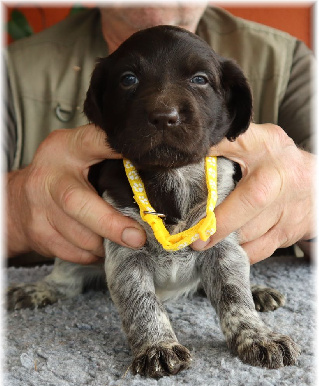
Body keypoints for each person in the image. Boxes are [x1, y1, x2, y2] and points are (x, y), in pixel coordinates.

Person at [5, 4, 316, 266]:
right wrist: (15, 208)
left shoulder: (286, 63)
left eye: (199, 79)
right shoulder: (12, 70)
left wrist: (310, 195)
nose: (164, 110)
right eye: (129, 80)